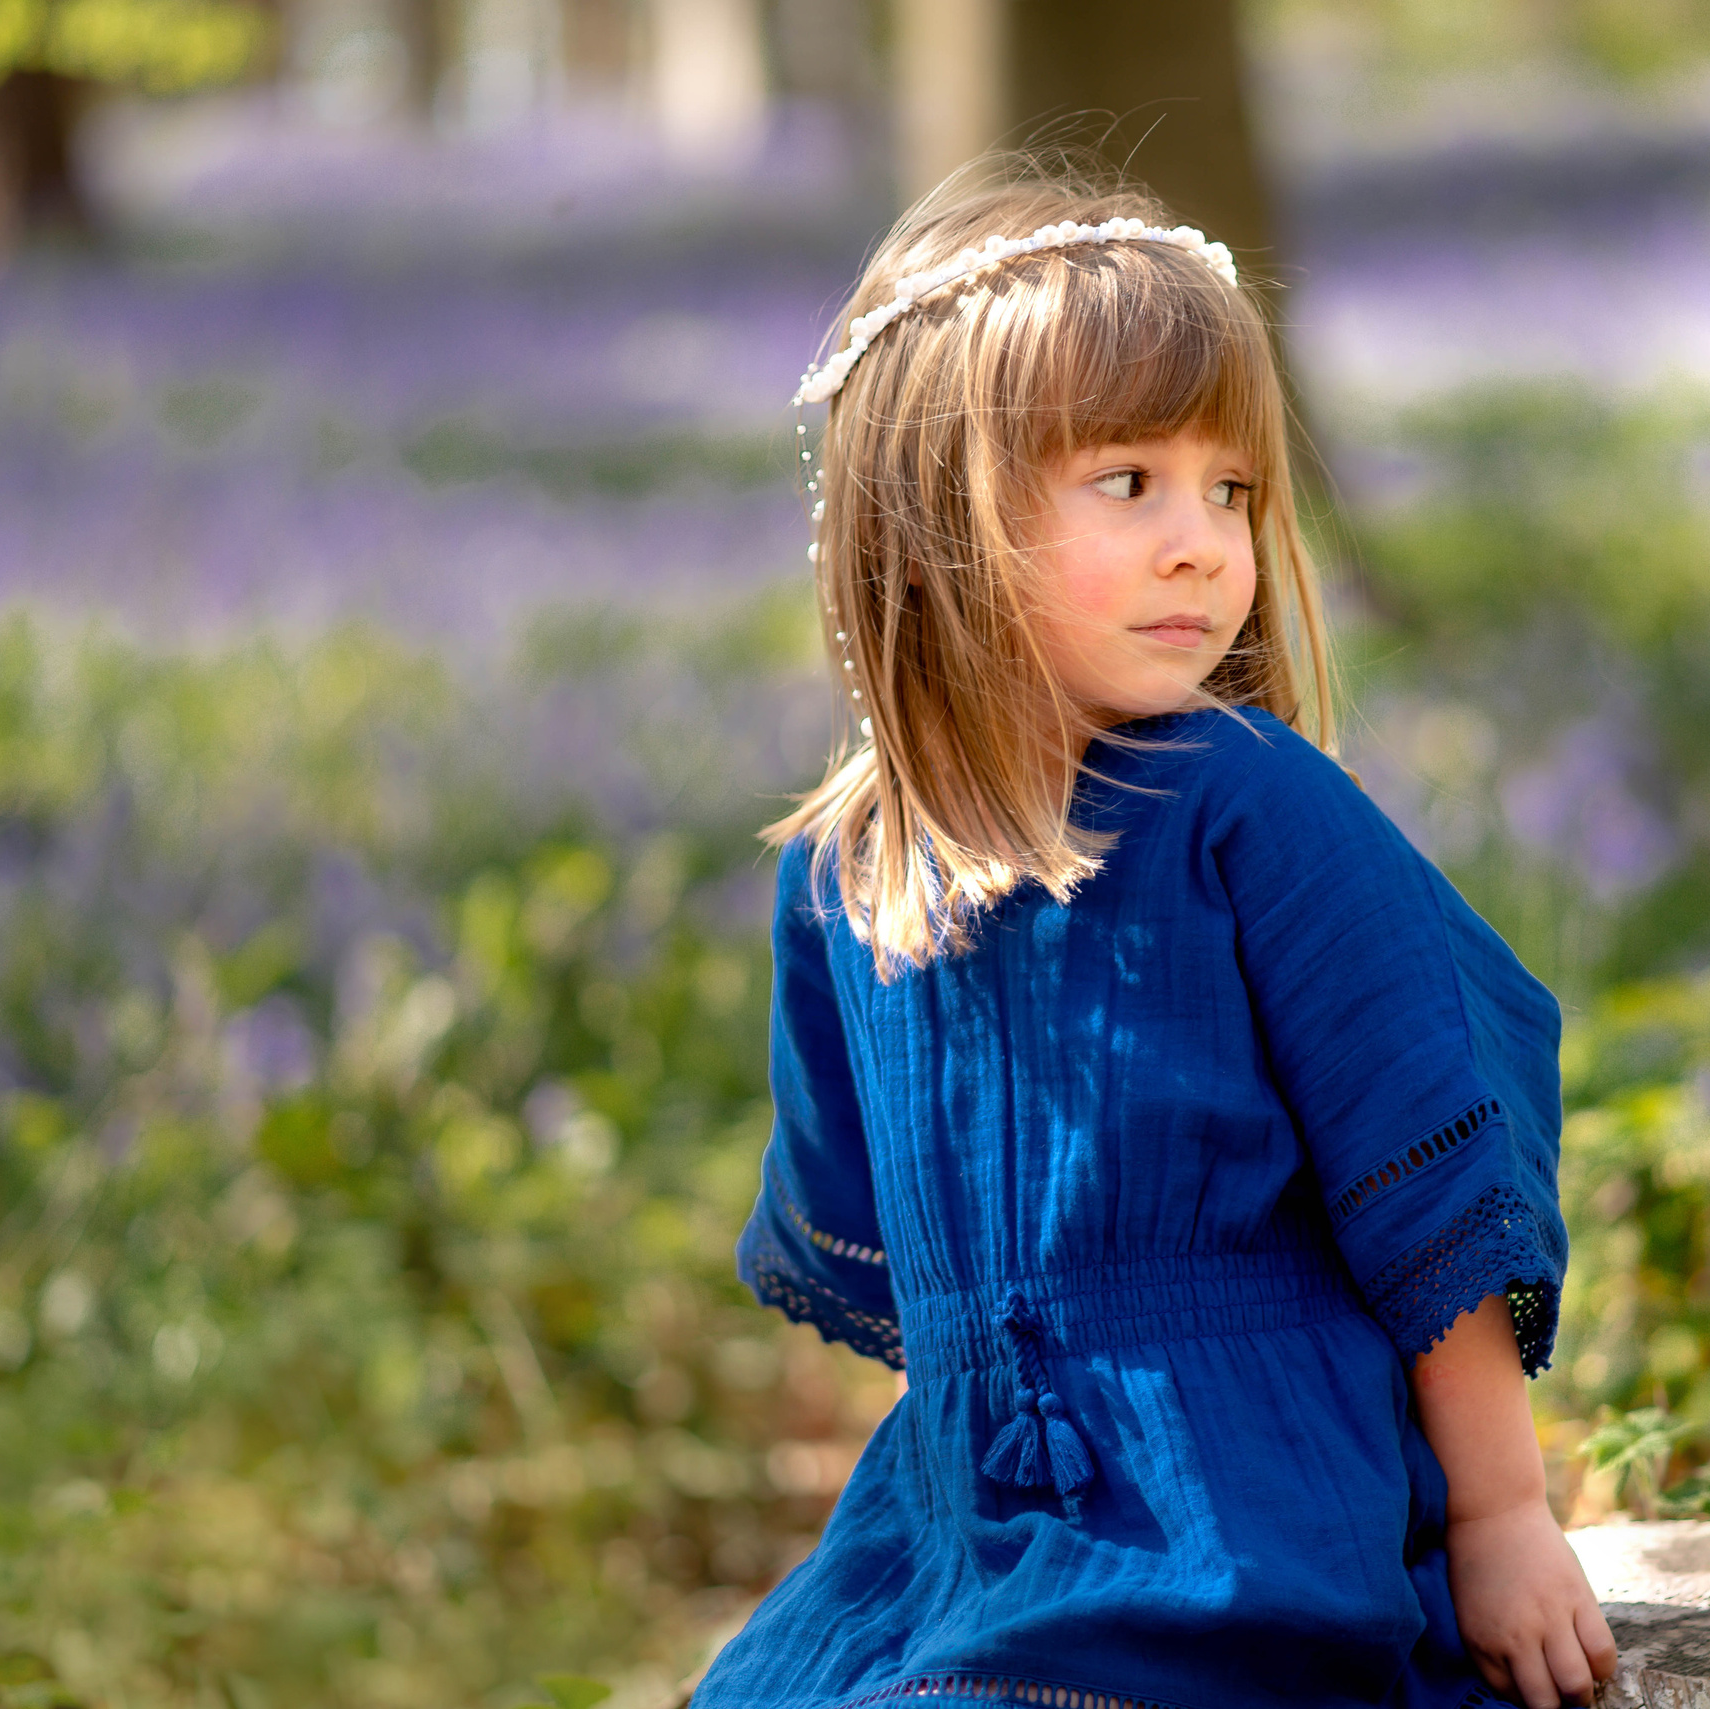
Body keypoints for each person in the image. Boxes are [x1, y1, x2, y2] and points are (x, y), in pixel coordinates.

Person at [692, 164, 1620, 1709]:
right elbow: (880, 1239)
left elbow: (1431, 1194)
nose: (1202, 542)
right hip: (973, 1519)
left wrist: (1501, 1516)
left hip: (1236, 1493)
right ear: (931, 523)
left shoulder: (1250, 806)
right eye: (1129, 482)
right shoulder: (852, 874)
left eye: (1231, 489)